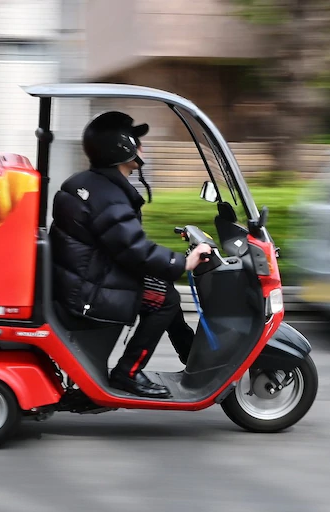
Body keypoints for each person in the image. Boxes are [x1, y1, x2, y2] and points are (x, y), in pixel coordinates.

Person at [49, 110, 211, 398]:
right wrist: (183, 261)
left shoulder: (93, 183)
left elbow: (125, 243)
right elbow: (133, 248)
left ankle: (190, 353)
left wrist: (169, 264)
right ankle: (129, 372)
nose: (142, 147)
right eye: (138, 141)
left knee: (163, 288)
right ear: (122, 148)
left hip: (83, 278)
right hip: (87, 293)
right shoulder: (109, 196)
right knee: (163, 299)